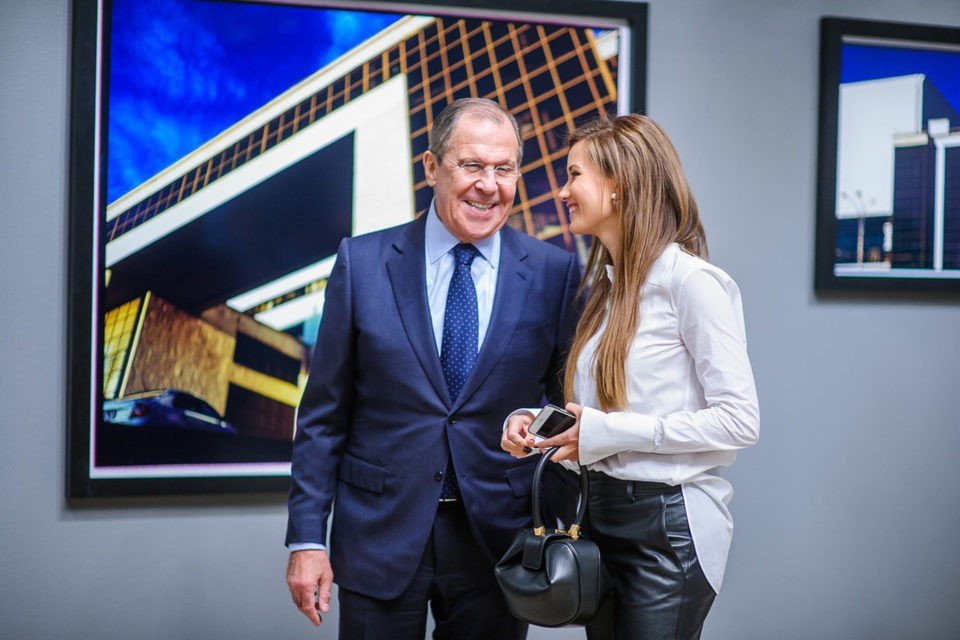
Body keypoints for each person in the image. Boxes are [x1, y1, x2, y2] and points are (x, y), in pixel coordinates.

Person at [285, 98, 581, 640]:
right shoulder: (362, 263)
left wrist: (558, 512)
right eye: (471, 166)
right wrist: (307, 539)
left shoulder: (554, 272)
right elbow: (323, 416)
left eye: (504, 169)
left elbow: (565, 404)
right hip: (379, 532)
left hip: (498, 538)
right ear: (431, 167)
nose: (488, 185)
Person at [502, 114, 760, 639]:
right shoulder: (606, 291)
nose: (563, 191)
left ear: (619, 184)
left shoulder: (694, 284)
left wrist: (607, 432)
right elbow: (601, 412)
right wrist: (534, 422)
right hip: (598, 518)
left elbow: (739, 422)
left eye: (575, 175)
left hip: (665, 532)